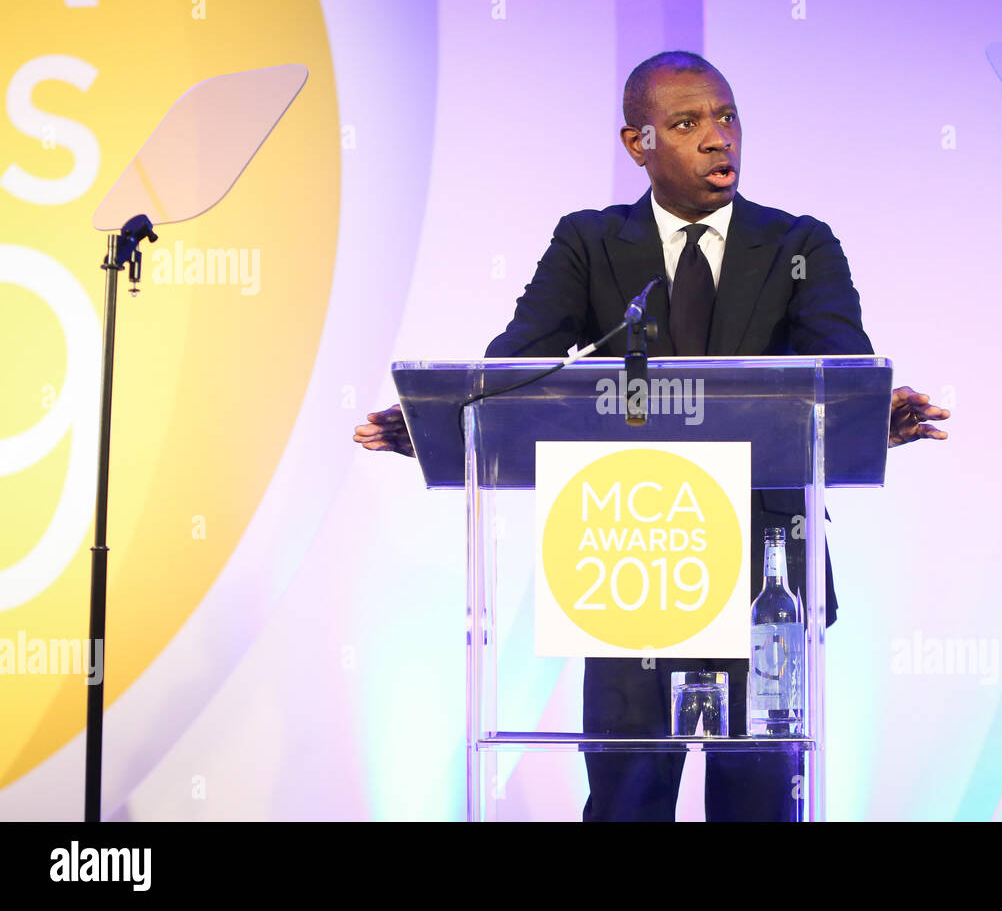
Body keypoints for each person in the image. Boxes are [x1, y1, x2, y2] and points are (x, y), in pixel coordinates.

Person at [354, 51, 949, 821]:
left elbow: (838, 372)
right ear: (637, 143)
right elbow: (518, 366)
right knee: (627, 803)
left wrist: (871, 409)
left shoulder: (802, 244)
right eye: (686, 123)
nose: (717, 139)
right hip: (635, 559)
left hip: (763, 576)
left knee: (762, 802)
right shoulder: (591, 244)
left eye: (727, 118)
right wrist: (445, 424)